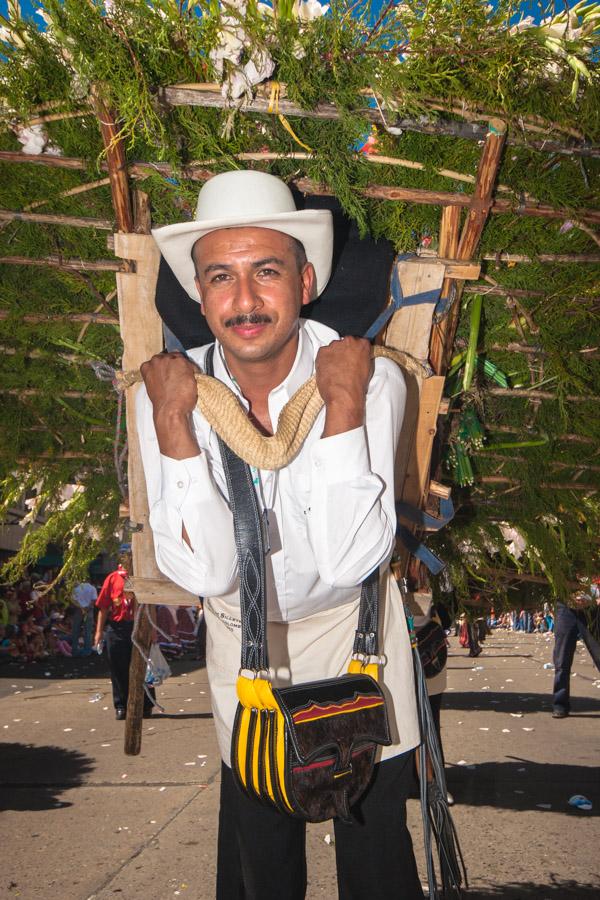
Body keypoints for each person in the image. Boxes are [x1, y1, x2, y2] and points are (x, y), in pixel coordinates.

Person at [137, 170, 423, 899]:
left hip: (358, 639)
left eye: (266, 271)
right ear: (199, 294)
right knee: (261, 860)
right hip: (246, 645)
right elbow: (206, 574)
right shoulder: (169, 394)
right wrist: (173, 424)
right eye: (220, 277)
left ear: (305, 280)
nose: (244, 301)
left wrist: (343, 403)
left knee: (375, 854)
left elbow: (350, 556)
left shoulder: (368, 379)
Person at [93, 562, 155, 721]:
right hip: (117, 628)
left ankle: (146, 705)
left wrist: (153, 630)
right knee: (118, 668)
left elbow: (151, 605)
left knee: (142, 667)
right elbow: (104, 607)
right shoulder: (113, 578)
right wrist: (99, 631)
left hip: (139, 625)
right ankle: (121, 706)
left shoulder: (143, 576)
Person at [552, 581, 600, 718]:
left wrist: (596, 599)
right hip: (566, 608)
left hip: (592, 609)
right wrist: (568, 597)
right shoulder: (562, 562)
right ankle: (560, 704)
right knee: (562, 659)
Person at [70, 580, 97, 656]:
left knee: (76, 630)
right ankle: (87, 651)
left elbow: (73, 600)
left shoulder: (76, 588)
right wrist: (88, 607)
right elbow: (94, 599)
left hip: (78, 609)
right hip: (89, 610)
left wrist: (81, 607)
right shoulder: (92, 588)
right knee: (88, 631)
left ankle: (74, 650)